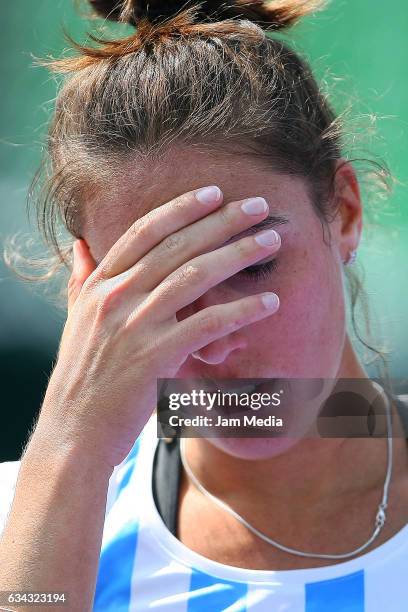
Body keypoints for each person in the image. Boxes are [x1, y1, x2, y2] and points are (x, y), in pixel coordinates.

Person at [0, 0, 407, 610]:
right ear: (87, 290)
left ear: (344, 212)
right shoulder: (24, 530)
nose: (213, 341)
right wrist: (69, 452)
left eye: (248, 262)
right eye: (156, 288)